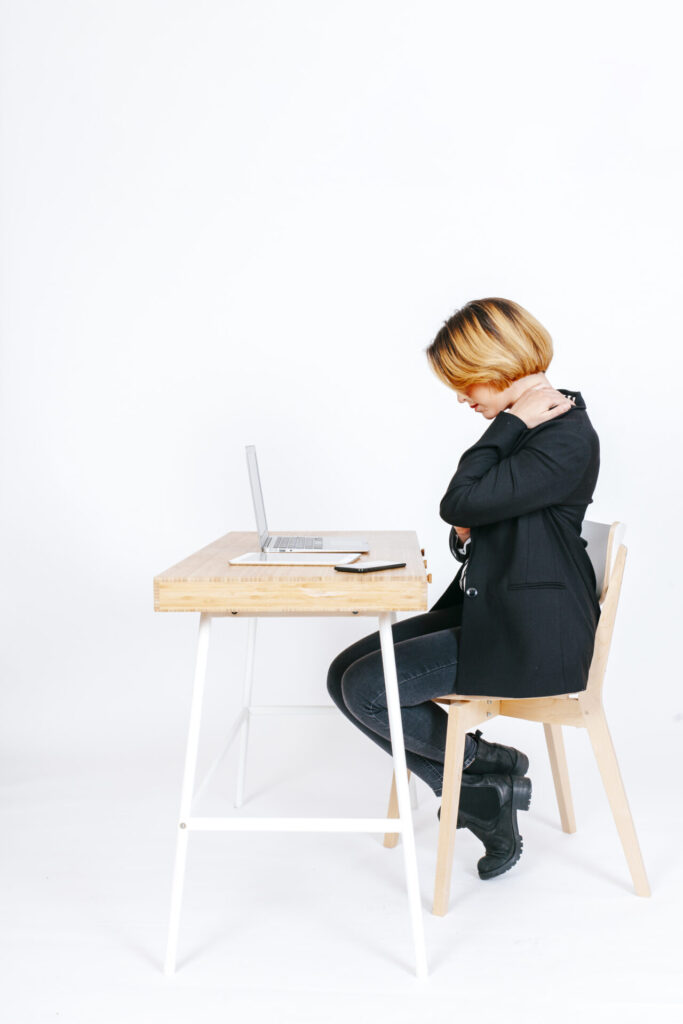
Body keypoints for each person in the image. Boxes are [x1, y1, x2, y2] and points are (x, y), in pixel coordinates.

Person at [326, 297, 601, 880]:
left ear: (499, 364)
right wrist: (469, 529)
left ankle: (477, 783)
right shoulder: (537, 432)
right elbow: (473, 519)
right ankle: (484, 783)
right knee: (342, 675)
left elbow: (459, 499)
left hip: (534, 632)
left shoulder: (559, 434)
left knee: (367, 689)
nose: (462, 398)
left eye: (465, 383)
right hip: (496, 606)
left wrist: (512, 421)